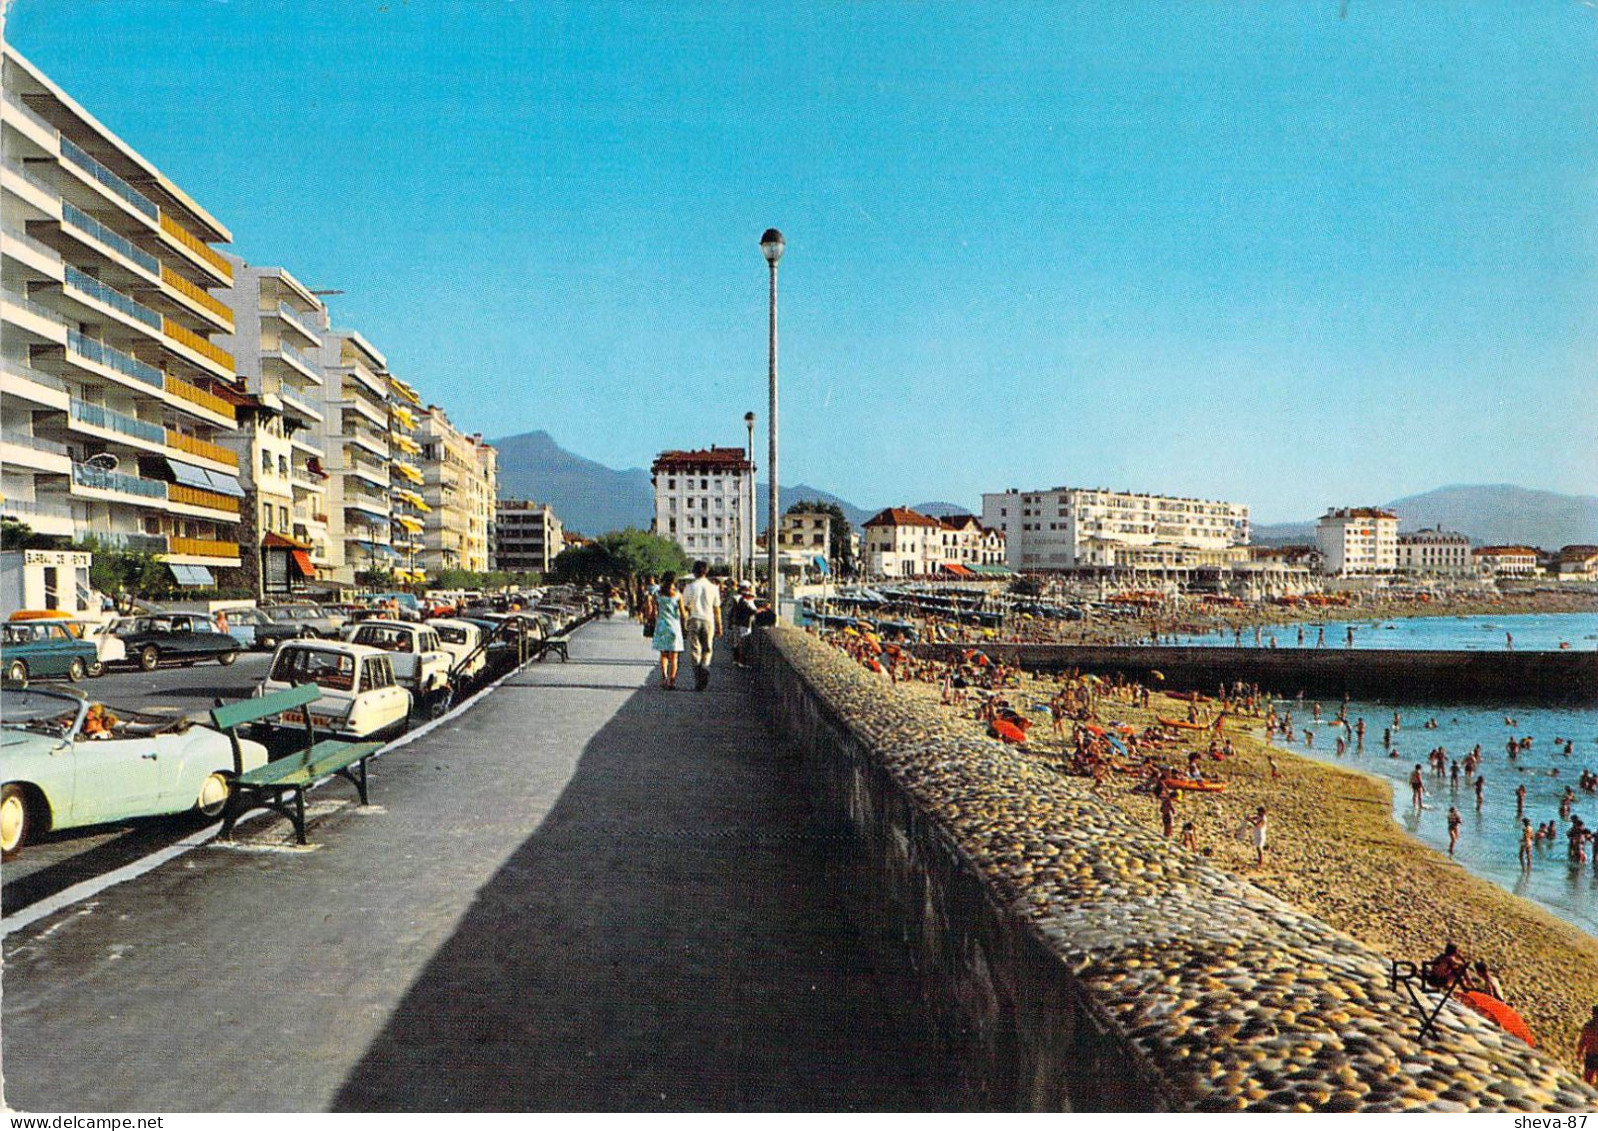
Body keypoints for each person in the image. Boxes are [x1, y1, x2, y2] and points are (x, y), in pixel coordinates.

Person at [680, 561, 722, 692]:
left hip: (694, 619)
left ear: (694, 572)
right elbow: (717, 608)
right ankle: (705, 666)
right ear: (706, 571)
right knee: (707, 648)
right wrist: (719, 625)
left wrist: (684, 622)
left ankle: (698, 675)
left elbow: (685, 607)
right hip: (708, 620)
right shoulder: (713, 588)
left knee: (695, 649)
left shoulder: (690, 587)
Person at [650, 572, 685, 690]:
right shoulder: (677, 595)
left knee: (664, 654)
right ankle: (672, 681)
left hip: (661, 625)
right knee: (674, 657)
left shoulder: (657, 594)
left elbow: (654, 610)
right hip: (674, 626)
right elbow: (683, 614)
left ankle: (664, 677)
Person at [728, 580, 758, 668]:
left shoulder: (736, 597)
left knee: (737, 642)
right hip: (743, 623)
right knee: (743, 643)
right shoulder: (743, 599)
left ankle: (736, 660)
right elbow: (751, 610)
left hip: (736, 622)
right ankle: (742, 661)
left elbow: (731, 611)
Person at [1578, 1005, 1598, 1085]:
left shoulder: (1588, 1026)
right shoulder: (1588, 1026)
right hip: (1591, 1055)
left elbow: (1582, 1041)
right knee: (1588, 1079)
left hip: (1591, 1054)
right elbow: (1583, 1041)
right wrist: (1579, 1053)